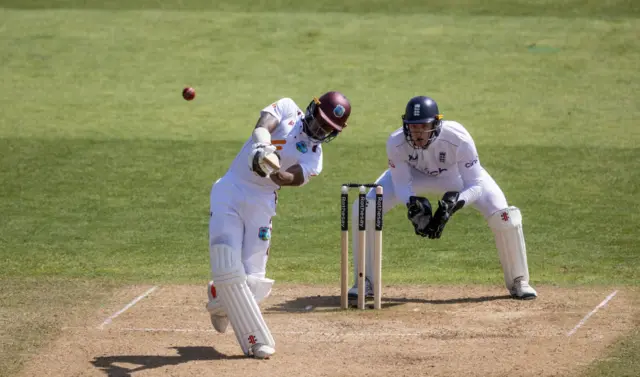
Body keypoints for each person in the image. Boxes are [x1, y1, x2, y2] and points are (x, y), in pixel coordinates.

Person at [206, 91, 352, 359]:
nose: (320, 129)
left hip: (262, 203)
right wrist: (262, 149)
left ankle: (219, 300)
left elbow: (288, 178)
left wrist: (270, 168)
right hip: (231, 190)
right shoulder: (287, 108)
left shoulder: (314, 157)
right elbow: (262, 126)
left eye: (328, 129)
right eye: (320, 121)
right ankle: (253, 339)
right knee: (226, 257)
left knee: (255, 280)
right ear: (311, 109)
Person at [348, 95, 537, 301]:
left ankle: (519, 280)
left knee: (505, 217)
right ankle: (364, 280)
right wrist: (413, 205)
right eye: (413, 127)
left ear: (436, 124)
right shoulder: (396, 142)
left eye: (423, 126)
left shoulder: (458, 137)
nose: (418, 133)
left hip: (455, 177)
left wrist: (454, 204)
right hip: (416, 176)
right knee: (364, 208)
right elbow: (402, 184)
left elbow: (476, 184)